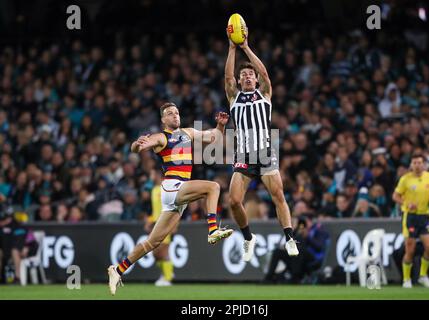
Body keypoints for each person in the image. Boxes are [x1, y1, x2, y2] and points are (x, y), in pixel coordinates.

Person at [108, 102, 233, 295]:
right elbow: (137, 149)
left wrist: (221, 126)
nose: (175, 115)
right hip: (173, 187)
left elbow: (213, 137)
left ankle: (118, 269)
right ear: (163, 120)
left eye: (176, 112)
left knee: (152, 243)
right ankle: (212, 229)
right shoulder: (161, 137)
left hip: (178, 194)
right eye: (169, 113)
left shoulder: (188, 132)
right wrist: (135, 144)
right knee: (213, 186)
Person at [224, 36, 298, 262]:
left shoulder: (264, 94)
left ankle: (289, 238)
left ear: (255, 79)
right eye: (243, 75)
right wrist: (231, 47)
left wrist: (245, 47)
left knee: (278, 196)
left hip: (265, 151)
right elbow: (227, 77)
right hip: (244, 154)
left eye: (250, 74)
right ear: (239, 80)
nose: (247, 76)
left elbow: (265, 75)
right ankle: (248, 237)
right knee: (234, 201)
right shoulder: (234, 97)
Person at [392, 153, 429, 288]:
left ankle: (423, 276)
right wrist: (405, 203)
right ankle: (406, 279)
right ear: (411, 165)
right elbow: (395, 196)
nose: (417, 165)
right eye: (414, 163)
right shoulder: (405, 179)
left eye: (419, 163)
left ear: (423, 164)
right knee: (410, 250)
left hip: (424, 216)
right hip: (410, 217)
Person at [264, 215, 329, 284]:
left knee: (299, 251)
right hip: (298, 258)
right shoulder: (299, 231)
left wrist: (307, 237)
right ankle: (269, 277)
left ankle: (295, 277)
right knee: (278, 252)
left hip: (312, 257)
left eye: (304, 222)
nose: (302, 225)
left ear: (310, 221)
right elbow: (294, 244)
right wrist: (294, 231)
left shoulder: (318, 230)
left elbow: (319, 247)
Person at [144, 169, 174, 286]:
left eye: (154, 174)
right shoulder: (154, 189)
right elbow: (154, 209)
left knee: (162, 251)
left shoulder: (167, 188)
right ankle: (165, 273)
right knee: (155, 253)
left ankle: (168, 277)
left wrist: (174, 223)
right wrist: (150, 220)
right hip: (156, 224)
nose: (152, 176)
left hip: (166, 223)